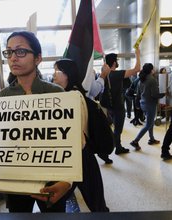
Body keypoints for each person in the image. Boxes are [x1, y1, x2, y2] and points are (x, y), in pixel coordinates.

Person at [0, 31, 68, 212]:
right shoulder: (0, 98)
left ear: (38, 58)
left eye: (20, 52)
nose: (13, 58)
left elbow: (71, 143)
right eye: (9, 52)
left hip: (52, 177)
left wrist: (66, 182)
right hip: (14, 180)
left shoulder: (57, 94)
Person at [46, 58, 109, 212]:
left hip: (80, 155)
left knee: (96, 203)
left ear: (68, 74)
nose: (54, 75)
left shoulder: (73, 96)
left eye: (57, 71)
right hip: (71, 156)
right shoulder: (62, 95)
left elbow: (76, 136)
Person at [100, 48, 141, 155]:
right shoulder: (117, 74)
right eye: (117, 61)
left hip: (110, 106)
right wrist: (137, 54)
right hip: (118, 107)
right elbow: (137, 69)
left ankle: (118, 147)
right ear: (114, 63)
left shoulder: (104, 75)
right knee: (118, 130)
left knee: (116, 129)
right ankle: (106, 150)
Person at [130, 63, 165, 150]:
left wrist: (137, 104)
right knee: (148, 124)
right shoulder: (152, 80)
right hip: (150, 105)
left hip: (143, 104)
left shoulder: (141, 79)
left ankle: (151, 139)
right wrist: (164, 94)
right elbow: (155, 95)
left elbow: (138, 94)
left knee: (150, 122)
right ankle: (135, 141)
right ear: (151, 70)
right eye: (153, 69)